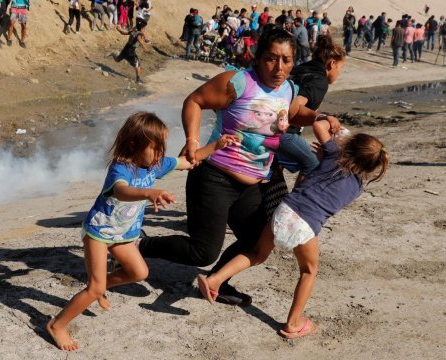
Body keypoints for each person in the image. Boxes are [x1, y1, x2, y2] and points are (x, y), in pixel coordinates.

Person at [136, 28, 343, 307]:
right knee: (202, 252)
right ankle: (139, 245)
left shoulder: (288, 88)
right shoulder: (238, 82)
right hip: (214, 177)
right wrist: (193, 141)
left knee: (258, 242)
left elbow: (293, 113)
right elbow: (195, 101)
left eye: (286, 60)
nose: (279, 67)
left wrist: (319, 115)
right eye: (271, 58)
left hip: (253, 182)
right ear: (258, 58)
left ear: (294, 62)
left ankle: (218, 282)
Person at [45, 111, 238, 351]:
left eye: (162, 148)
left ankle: (102, 286)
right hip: (100, 232)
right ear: (134, 145)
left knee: (139, 272)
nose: (160, 155)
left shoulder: (154, 165)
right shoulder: (121, 168)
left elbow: (189, 161)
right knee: (94, 288)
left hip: (124, 235)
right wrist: (149, 193)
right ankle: (58, 325)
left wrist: (216, 146)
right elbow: (121, 191)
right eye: (155, 148)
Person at [197, 120, 389, 339]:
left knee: (257, 254)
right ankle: (293, 323)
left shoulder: (333, 154)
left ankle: (214, 280)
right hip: (306, 224)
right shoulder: (356, 188)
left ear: (349, 145)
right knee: (308, 271)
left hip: (284, 210)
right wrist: (335, 151)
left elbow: (319, 126)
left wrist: (336, 127)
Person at [277, 35, 347, 186]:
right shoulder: (319, 81)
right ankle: (295, 204)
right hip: (284, 132)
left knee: (276, 169)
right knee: (313, 164)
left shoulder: (302, 68)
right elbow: (294, 107)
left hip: (268, 125)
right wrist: (321, 117)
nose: (339, 73)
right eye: (341, 68)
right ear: (332, 64)